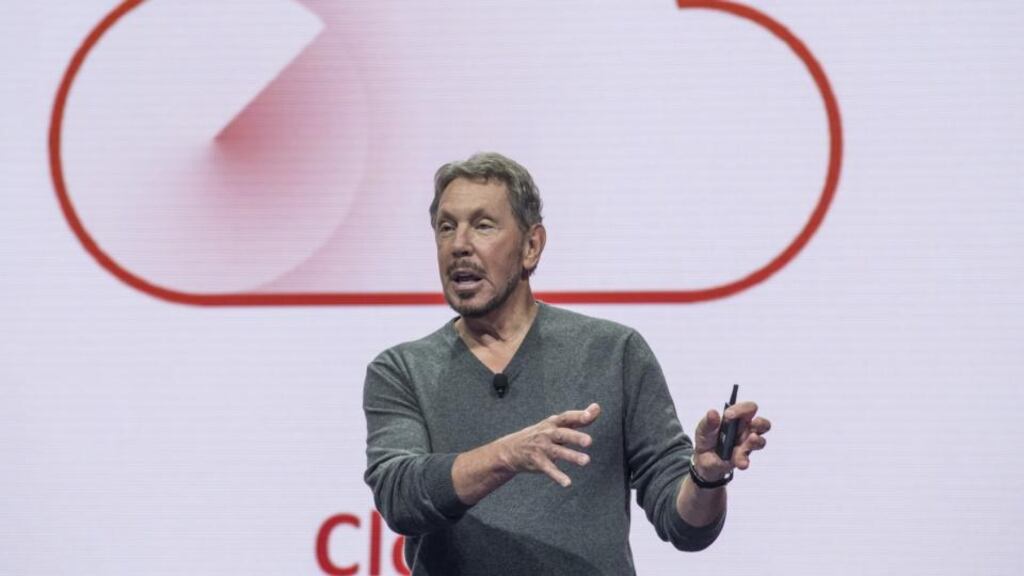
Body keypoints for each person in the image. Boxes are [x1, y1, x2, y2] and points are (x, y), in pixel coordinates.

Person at [363, 152, 770, 575]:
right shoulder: (402, 370)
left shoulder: (614, 352)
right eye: (446, 227)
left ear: (531, 246)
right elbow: (401, 498)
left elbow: (685, 527)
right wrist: (508, 454)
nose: (459, 244)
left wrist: (706, 476)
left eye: (483, 225)